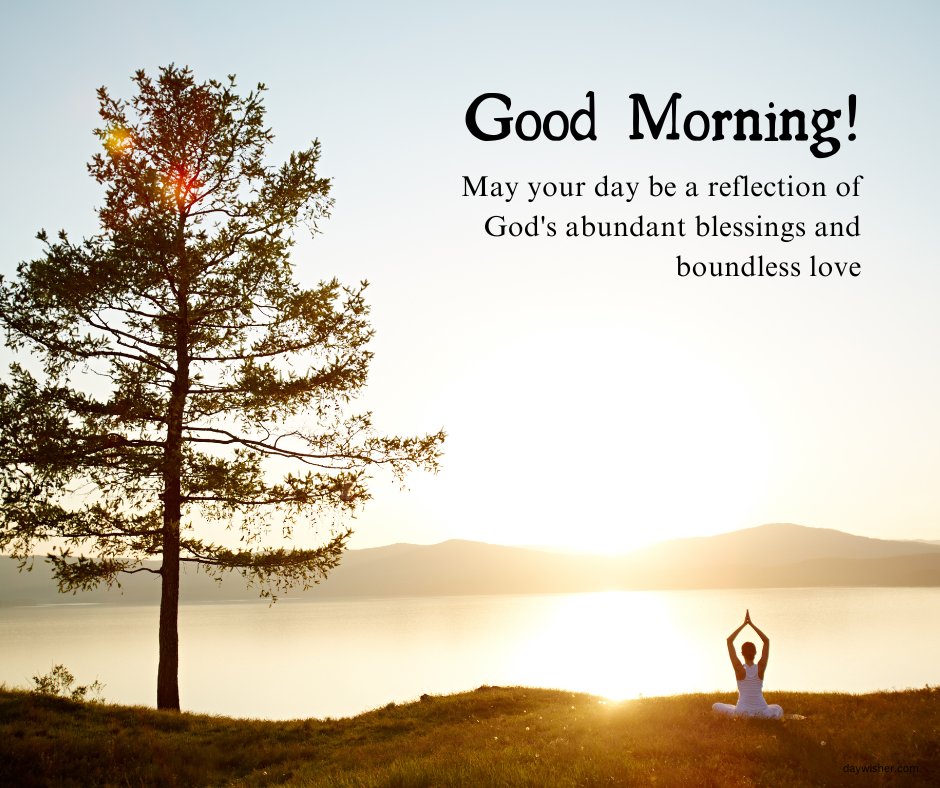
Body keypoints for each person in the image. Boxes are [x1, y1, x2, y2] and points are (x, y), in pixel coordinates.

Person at [712, 609, 783, 719]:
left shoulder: (739, 669)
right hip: (762, 712)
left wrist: (744, 624)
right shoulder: (760, 667)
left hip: (742, 712)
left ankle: (736, 709)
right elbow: (766, 641)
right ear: (755, 653)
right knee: (778, 708)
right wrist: (752, 624)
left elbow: (729, 641)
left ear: (742, 653)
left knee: (716, 706)